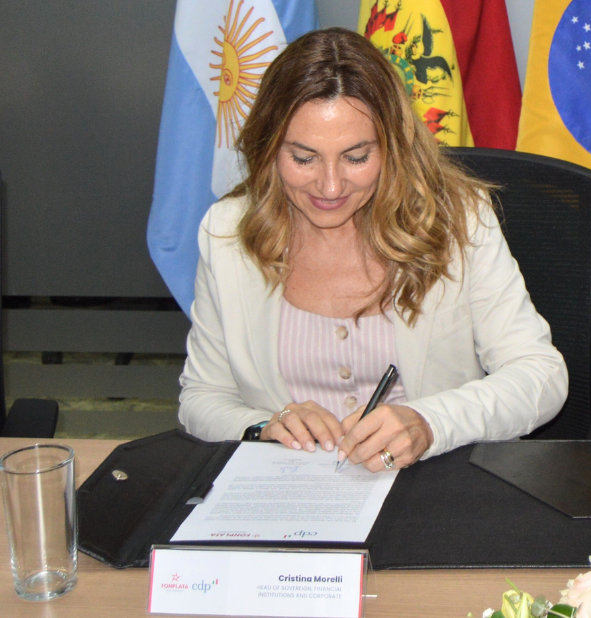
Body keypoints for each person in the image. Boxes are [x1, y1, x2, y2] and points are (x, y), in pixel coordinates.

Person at [179, 27, 567, 471]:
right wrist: (263, 427)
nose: (330, 186)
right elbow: (201, 398)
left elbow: (541, 375)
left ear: (393, 147)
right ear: (268, 148)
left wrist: (430, 423)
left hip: (433, 483)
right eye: (303, 158)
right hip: (290, 491)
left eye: (356, 157)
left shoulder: (459, 220)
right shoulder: (227, 234)